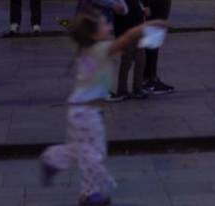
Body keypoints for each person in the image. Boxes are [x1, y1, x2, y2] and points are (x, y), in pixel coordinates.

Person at [39, 13, 162, 205]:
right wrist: (149, 25)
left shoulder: (86, 49)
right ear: (94, 34)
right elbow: (127, 38)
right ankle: (89, 194)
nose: (109, 26)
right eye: (105, 24)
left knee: (80, 148)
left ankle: (52, 158)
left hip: (78, 109)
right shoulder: (100, 49)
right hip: (87, 112)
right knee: (93, 153)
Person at [106, 0, 147, 101]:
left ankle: (137, 89)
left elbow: (138, 7)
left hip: (138, 30)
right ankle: (122, 90)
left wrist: (144, 11)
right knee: (127, 61)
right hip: (125, 33)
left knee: (141, 60)